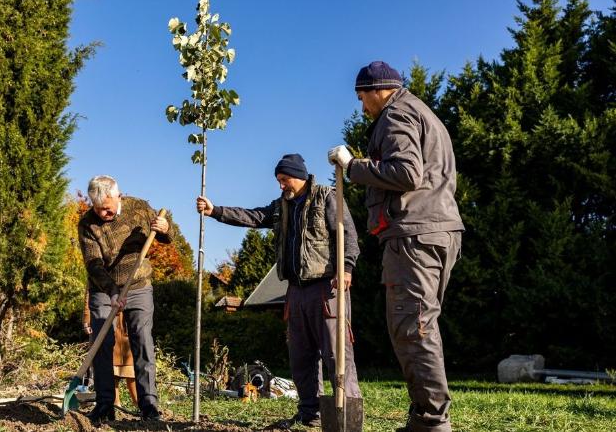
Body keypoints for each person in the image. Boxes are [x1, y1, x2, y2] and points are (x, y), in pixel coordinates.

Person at [328, 61, 464, 432]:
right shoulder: (423, 113)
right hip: (436, 231)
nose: (362, 107)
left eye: (362, 97)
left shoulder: (396, 115)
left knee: (412, 326)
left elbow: (406, 172)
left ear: (378, 89)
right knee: (418, 323)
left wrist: (353, 166)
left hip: (414, 235)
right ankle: (426, 416)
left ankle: (432, 422)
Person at [196, 153, 362, 428]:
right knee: (301, 356)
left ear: (298, 175)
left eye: (284, 179)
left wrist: (346, 268)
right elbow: (253, 216)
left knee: (336, 354)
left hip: (326, 288)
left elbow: (348, 234)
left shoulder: (326, 197)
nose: (281, 185)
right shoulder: (280, 206)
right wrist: (216, 211)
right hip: (296, 290)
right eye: (278, 180)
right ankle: (310, 411)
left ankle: (348, 415)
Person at [78, 175, 171, 423]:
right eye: (98, 209)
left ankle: (149, 404)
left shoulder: (139, 207)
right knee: (101, 340)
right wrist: (112, 291)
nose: (103, 213)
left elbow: (163, 233)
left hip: (139, 285)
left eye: (107, 208)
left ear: (118, 196)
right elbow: (94, 264)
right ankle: (105, 404)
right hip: (103, 288)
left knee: (142, 339)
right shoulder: (87, 223)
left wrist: (165, 229)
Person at [82, 293, 138, 408]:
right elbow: (90, 293)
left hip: (126, 321)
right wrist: (87, 318)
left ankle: (140, 403)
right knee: (110, 365)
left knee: (131, 367)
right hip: (106, 317)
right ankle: (115, 403)